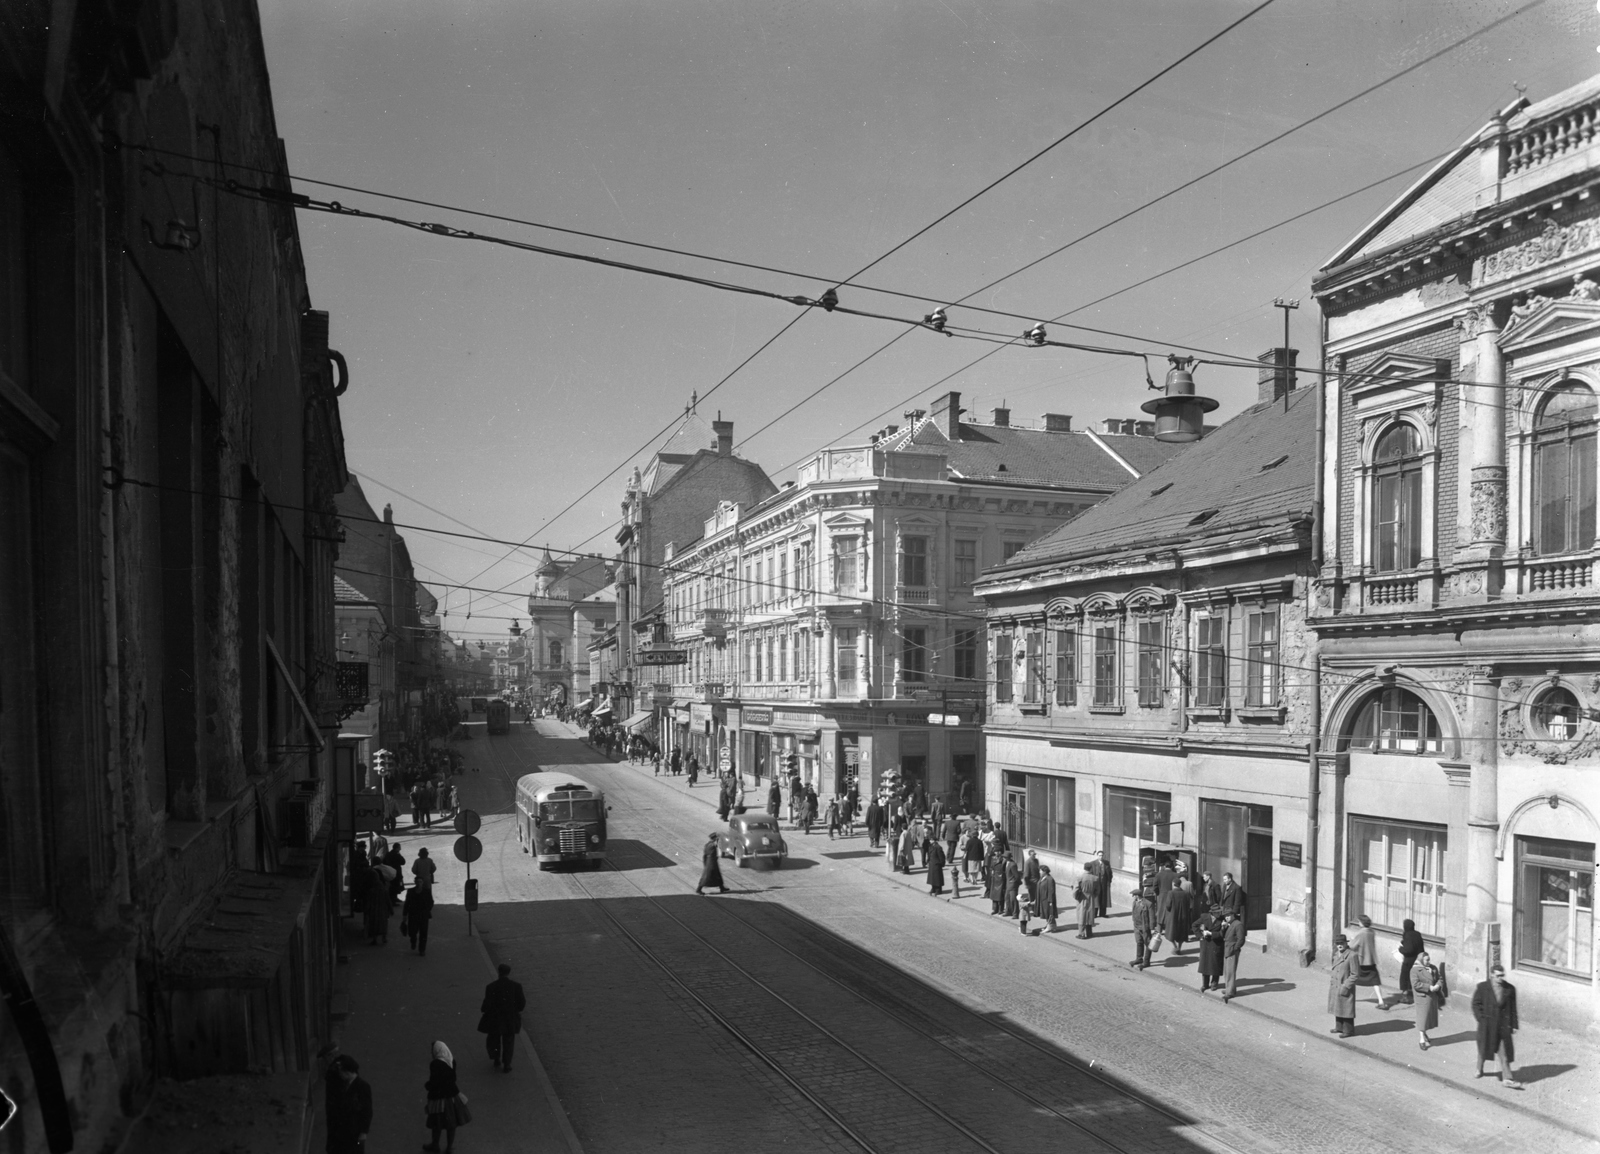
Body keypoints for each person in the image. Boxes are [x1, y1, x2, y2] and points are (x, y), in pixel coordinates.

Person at [1472, 965, 1521, 1088]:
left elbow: (1513, 1009)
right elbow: (1476, 1004)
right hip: (1487, 1025)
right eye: (1498, 976)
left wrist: (1514, 1025)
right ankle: (1479, 1069)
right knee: (1483, 1048)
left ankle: (1507, 1078)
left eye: (1502, 975)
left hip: (1502, 1026)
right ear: (1492, 975)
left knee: (1503, 1053)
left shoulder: (1509, 989)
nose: (1500, 978)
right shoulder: (1483, 987)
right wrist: (1481, 1019)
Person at [478, 963, 526, 1071]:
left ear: (499, 972)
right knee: (509, 1041)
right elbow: (521, 1004)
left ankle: (496, 1058)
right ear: (508, 973)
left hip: (495, 1019)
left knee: (494, 1039)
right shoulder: (516, 986)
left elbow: (486, 1005)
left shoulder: (491, 987)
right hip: (510, 1019)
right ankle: (507, 1064)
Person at [423, 1041, 466, 1153]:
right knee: (451, 1124)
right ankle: (449, 1147)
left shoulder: (435, 1064)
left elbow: (434, 1082)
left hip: (439, 1098)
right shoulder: (451, 1061)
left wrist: (427, 1086)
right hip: (452, 1097)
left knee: (436, 1123)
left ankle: (435, 1144)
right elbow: (452, 1079)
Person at [325, 1055, 372, 1154]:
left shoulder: (363, 1086)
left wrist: (364, 1131)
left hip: (355, 1131)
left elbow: (367, 1110)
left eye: (341, 1071)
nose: (340, 1074)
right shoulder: (343, 1084)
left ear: (348, 1071)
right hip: (342, 1130)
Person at [1350, 915, 1393, 1010]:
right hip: (1371, 960)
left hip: (1361, 960)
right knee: (1375, 981)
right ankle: (1381, 1001)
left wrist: (1352, 940)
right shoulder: (1372, 932)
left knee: (1352, 978)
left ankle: (1349, 998)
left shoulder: (1361, 933)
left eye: (1359, 921)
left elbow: (1353, 946)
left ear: (1362, 923)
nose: (1358, 923)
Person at [1328, 934, 1358, 1038]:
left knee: (1346, 1009)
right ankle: (1339, 1027)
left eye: (1341, 943)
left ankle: (1348, 1030)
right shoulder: (1337, 954)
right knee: (1338, 1006)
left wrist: (1346, 986)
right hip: (1336, 985)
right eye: (1338, 944)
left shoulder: (1352, 955)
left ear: (1346, 943)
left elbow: (1355, 974)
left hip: (1345, 986)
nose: (1339, 945)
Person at [1412, 949, 1442, 1050]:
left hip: (1432, 997)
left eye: (1429, 960)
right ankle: (1421, 1039)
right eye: (1426, 960)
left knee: (1428, 1017)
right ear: (1421, 960)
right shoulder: (1415, 970)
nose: (1428, 962)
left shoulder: (1433, 968)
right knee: (1423, 1018)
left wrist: (1438, 985)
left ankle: (1424, 1034)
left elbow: (1439, 978)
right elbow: (1416, 984)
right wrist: (1429, 987)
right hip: (1422, 997)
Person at [1157, 875, 1192, 957]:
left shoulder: (1171, 893)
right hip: (1183, 916)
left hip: (1173, 916)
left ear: (1173, 884)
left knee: (1171, 932)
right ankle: (1179, 948)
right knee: (1181, 933)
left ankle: (1175, 947)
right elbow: (1188, 905)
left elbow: (1168, 905)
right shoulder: (1186, 893)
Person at [1195, 905, 1225, 992]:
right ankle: (1205, 984)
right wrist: (1200, 936)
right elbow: (1194, 925)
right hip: (1206, 944)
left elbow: (1221, 934)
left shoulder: (1222, 920)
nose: (1219, 914)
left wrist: (1211, 934)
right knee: (1205, 964)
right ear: (1212, 913)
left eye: (1220, 912)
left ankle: (1214, 983)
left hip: (1216, 944)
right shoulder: (1204, 917)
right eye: (1217, 912)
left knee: (1216, 964)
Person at [363, 865, 393, 946]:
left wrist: (366, 910)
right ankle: (384, 938)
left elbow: (369, 902)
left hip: (374, 911)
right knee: (384, 925)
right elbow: (388, 901)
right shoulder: (384, 891)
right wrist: (391, 910)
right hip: (383, 911)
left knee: (374, 926)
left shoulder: (371, 891)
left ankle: (375, 940)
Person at [402, 882, 435, 956]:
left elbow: (431, 902)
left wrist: (427, 909)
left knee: (423, 933)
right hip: (413, 915)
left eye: (420, 882)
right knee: (412, 932)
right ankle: (413, 941)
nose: (419, 884)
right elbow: (407, 903)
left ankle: (422, 949)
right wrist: (405, 914)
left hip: (423, 915)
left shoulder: (426, 891)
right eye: (418, 882)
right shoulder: (410, 891)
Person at [1222, 911, 1247, 1002]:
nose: (1227, 918)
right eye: (1225, 916)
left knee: (1230, 971)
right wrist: (1223, 927)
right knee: (1227, 971)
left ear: (1233, 915)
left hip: (1232, 951)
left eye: (1228, 916)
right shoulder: (1229, 924)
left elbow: (1241, 939)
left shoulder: (1238, 924)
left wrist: (1235, 949)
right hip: (1227, 950)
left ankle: (1229, 992)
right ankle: (1230, 988)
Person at [1397, 918, 1424, 1005]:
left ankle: (1405, 997)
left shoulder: (1407, 934)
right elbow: (1417, 945)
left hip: (1409, 960)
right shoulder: (1417, 934)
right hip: (1418, 959)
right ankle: (1417, 995)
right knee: (1416, 977)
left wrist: (1400, 949)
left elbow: (1408, 949)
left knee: (1405, 977)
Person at [1130, 889, 1156, 970]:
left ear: (1137, 895)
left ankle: (1146, 961)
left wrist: (1152, 928)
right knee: (1139, 942)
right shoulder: (1135, 902)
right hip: (1137, 926)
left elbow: (1152, 917)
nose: (1133, 897)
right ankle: (1139, 958)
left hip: (1145, 927)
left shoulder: (1148, 904)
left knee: (1148, 944)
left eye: (1134, 895)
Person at [1086, 849, 1111, 918]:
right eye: (1100, 855)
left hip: (1104, 883)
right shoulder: (1093, 863)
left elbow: (1110, 873)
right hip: (1096, 884)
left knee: (1103, 898)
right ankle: (1094, 914)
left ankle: (1102, 913)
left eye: (1102, 855)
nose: (1101, 857)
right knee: (1096, 898)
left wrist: (1109, 881)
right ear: (1097, 856)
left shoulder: (1106, 863)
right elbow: (1090, 874)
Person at [1035, 865, 1058, 933]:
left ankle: (1049, 927)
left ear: (1044, 871)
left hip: (1047, 900)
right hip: (1042, 898)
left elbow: (1051, 891)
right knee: (1046, 913)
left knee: (1048, 913)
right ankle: (1052, 926)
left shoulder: (1050, 879)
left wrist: (1050, 901)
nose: (1039, 872)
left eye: (1040, 871)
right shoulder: (1043, 878)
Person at [1074, 870, 1095, 939]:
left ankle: (1081, 933)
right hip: (1091, 897)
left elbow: (1075, 889)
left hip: (1082, 897)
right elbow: (1098, 890)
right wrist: (1093, 895)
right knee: (1089, 914)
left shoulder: (1080, 877)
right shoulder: (1095, 878)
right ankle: (1089, 932)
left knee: (1081, 915)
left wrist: (1076, 897)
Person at [987, 850, 1008, 915]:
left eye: (997, 851)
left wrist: (1003, 876)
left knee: (1001, 895)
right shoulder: (993, 859)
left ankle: (1000, 909)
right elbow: (990, 868)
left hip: (1001, 879)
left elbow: (1006, 870)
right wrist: (992, 873)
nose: (996, 853)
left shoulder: (1004, 860)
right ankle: (995, 909)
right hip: (995, 879)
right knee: (994, 895)